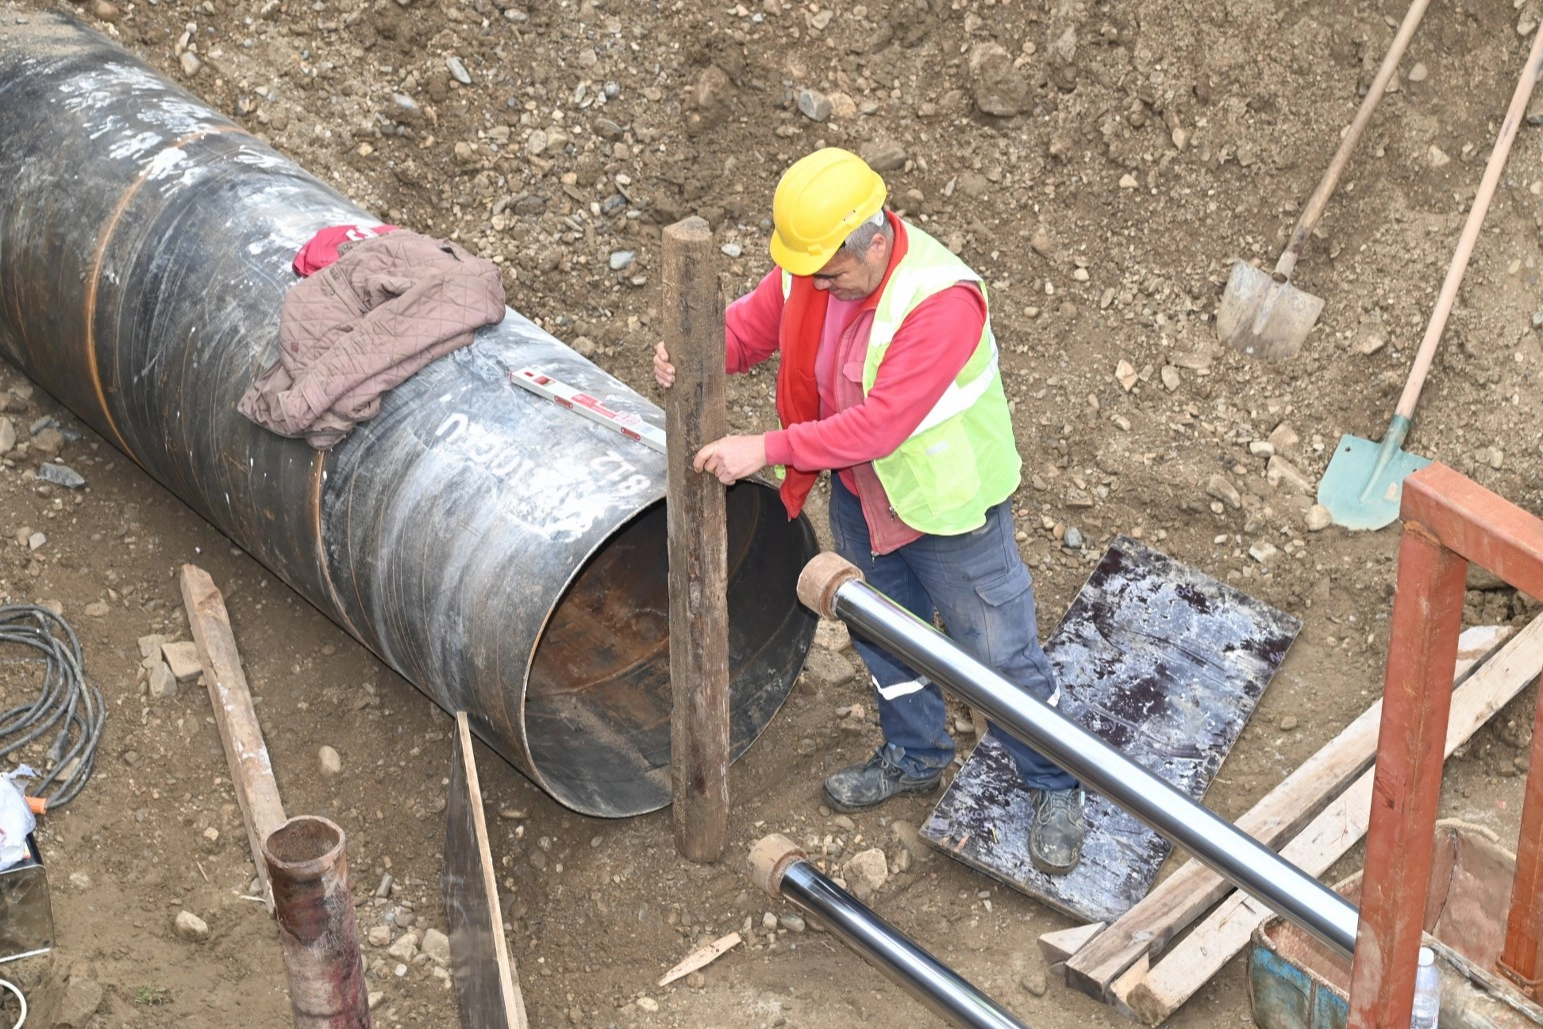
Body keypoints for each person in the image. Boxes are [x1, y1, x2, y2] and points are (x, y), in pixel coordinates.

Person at [652, 147, 1084, 875]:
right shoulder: (815, 268)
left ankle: (1055, 784)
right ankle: (915, 754)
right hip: (863, 496)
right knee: (886, 636)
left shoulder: (939, 302)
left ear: (875, 241)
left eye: (829, 274)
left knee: (999, 656)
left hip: (951, 516)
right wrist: (693, 355)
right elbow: (747, 331)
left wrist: (767, 446)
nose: (814, 286)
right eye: (808, 272)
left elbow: (880, 423)